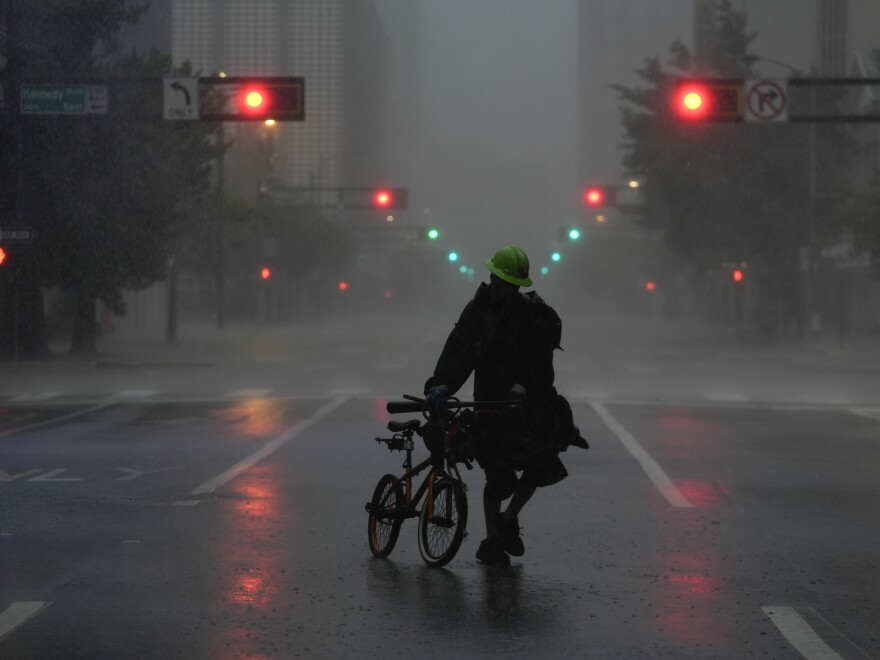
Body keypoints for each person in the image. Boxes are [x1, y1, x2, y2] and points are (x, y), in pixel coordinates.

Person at [424, 245, 587, 565]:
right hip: (488, 406)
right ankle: (491, 540)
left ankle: (509, 518)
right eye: (504, 282)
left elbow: (540, 362)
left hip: (524, 405)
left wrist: (523, 388)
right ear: (492, 278)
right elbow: (460, 349)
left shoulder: (533, 315)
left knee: (542, 460)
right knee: (497, 476)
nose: (507, 288)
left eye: (513, 284)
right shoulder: (478, 311)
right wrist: (441, 384)